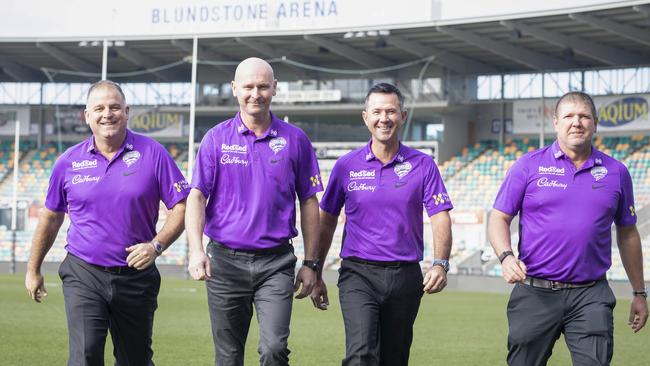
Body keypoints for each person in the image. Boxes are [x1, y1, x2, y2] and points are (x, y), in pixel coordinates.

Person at [24, 80, 189, 365]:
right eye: (98, 108)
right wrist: (33, 268)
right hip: (83, 272)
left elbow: (182, 205)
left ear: (127, 111)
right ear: (86, 116)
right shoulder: (67, 162)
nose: (107, 114)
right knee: (85, 353)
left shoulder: (153, 153)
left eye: (114, 107)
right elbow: (51, 218)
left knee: (134, 359)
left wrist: (156, 245)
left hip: (136, 275)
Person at [488, 91, 648, 366]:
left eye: (584, 116)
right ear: (555, 122)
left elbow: (628, 233)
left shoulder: (616, 172)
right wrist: (506, 256)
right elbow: (498, 217)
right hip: (534, 292)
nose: (577, 122)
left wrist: (639, 293)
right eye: (569, 116)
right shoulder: (528, 166)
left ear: (595, 123)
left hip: (591, 295)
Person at [185, 57, 323, 366]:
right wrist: (195, 251)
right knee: (228, 356)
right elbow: (196, 197)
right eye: (248, 86)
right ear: (235, 88)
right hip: (224, 263)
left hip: (276, 263)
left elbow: (310, 202)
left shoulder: (296, 140)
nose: (255, 94)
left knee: (274, 349)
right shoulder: (215, 139)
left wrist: (312, 262)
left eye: (263, 86)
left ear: (275, 88)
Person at [312, 83, 453, 366]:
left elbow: (440, 216)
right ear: (366, 117)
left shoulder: (423, 165)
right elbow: (326, 222)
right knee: (361, 354)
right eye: (377, 111)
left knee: (394, 358)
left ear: (403, 115)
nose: (384, 118)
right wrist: (315, 269)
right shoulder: (346, 166)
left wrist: (440, 263)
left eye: (391, 111)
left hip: (406, 277)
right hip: (358, 273)